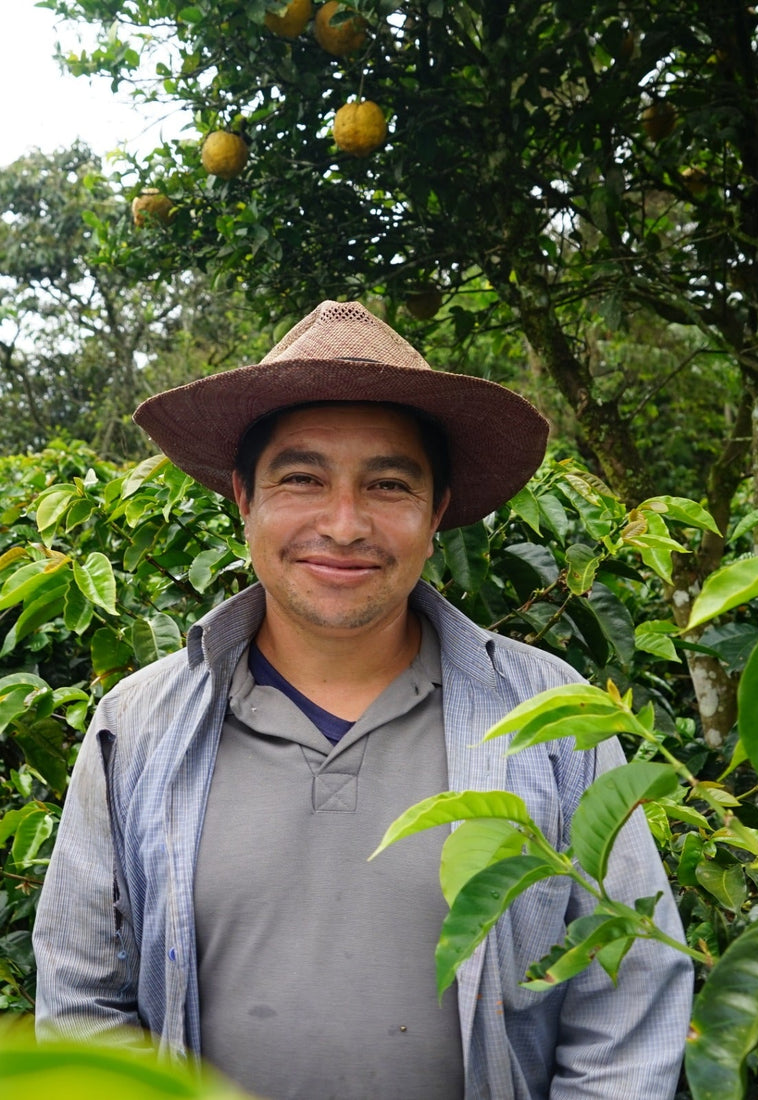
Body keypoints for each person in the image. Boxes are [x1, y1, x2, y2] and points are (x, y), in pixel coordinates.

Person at [33, 300, 694, 1099]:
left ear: (436, 510)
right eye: (302, 478)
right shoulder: (137, 728)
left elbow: (624, 1001)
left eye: (387, 484)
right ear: (245, 497)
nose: (344, 525)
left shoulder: (552, 719)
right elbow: (82, 1001)